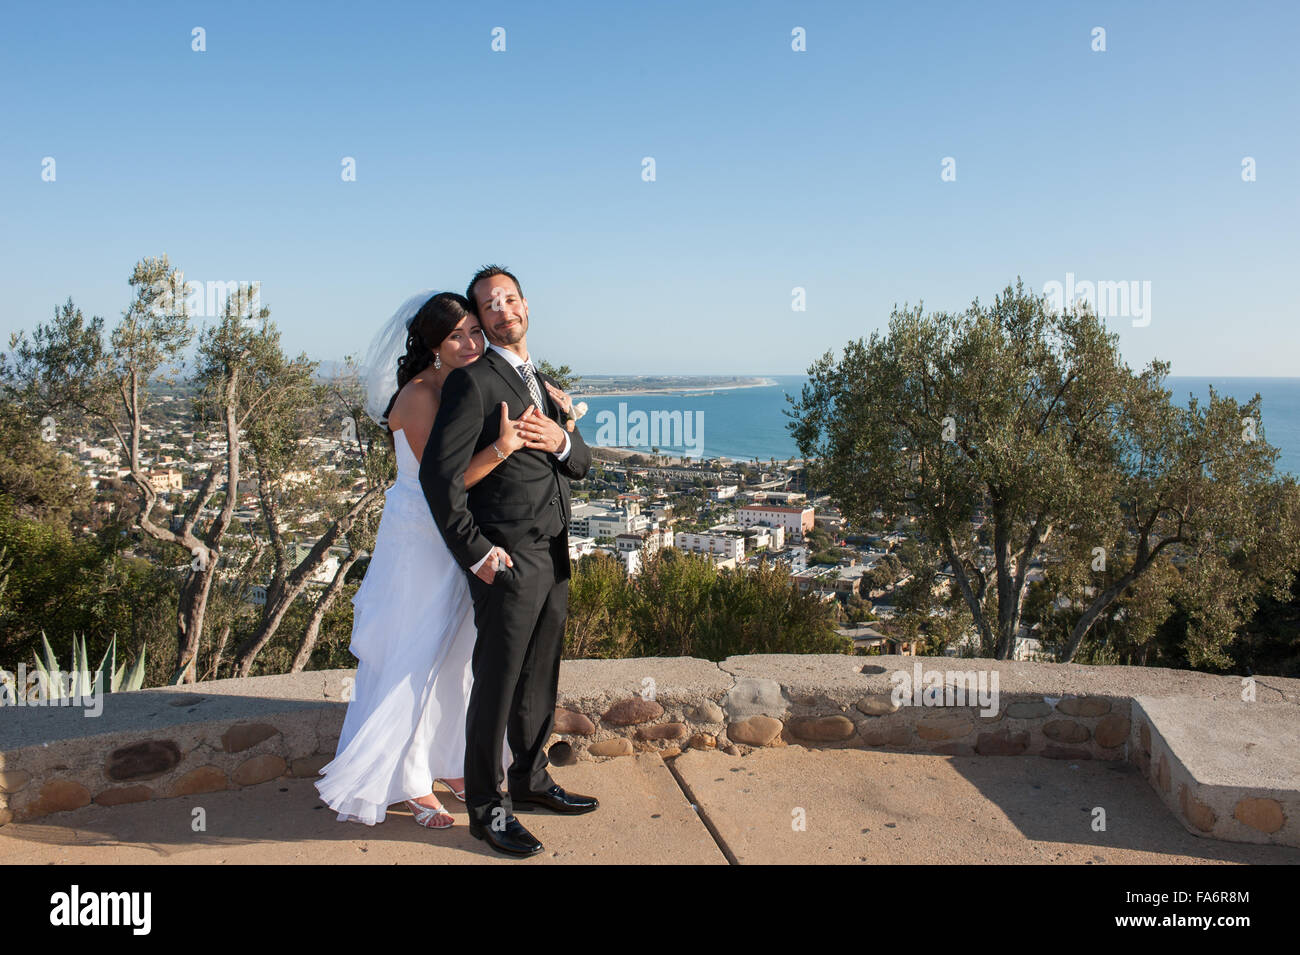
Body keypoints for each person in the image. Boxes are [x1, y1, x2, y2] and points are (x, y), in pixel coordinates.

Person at [314, 290, 575, 829]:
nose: (471, 342)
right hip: (423, 538)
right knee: (418, 653)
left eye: (474, 332)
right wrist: (504, 447)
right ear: (433, 346)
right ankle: (408, 780)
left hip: (458, 534)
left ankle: (451, 762)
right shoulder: (419, 395)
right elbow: (445, 481)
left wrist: (558, 423)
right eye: (457, 335)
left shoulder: (463, 386)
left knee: (458, 657)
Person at [421, 265, 597, 858]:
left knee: (538, 676)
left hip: (554, 550)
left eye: (510, 298)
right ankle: (486, 810)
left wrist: (563, 440)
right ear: (483, 319)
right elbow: (437, 479)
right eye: (488, 305)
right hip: (507, 559)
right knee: (496, 685)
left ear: (526, 306)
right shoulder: (472, 382)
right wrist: (477, 555)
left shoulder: (540, 380)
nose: (503, 310)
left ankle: (529, 779)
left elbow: (580, 463)